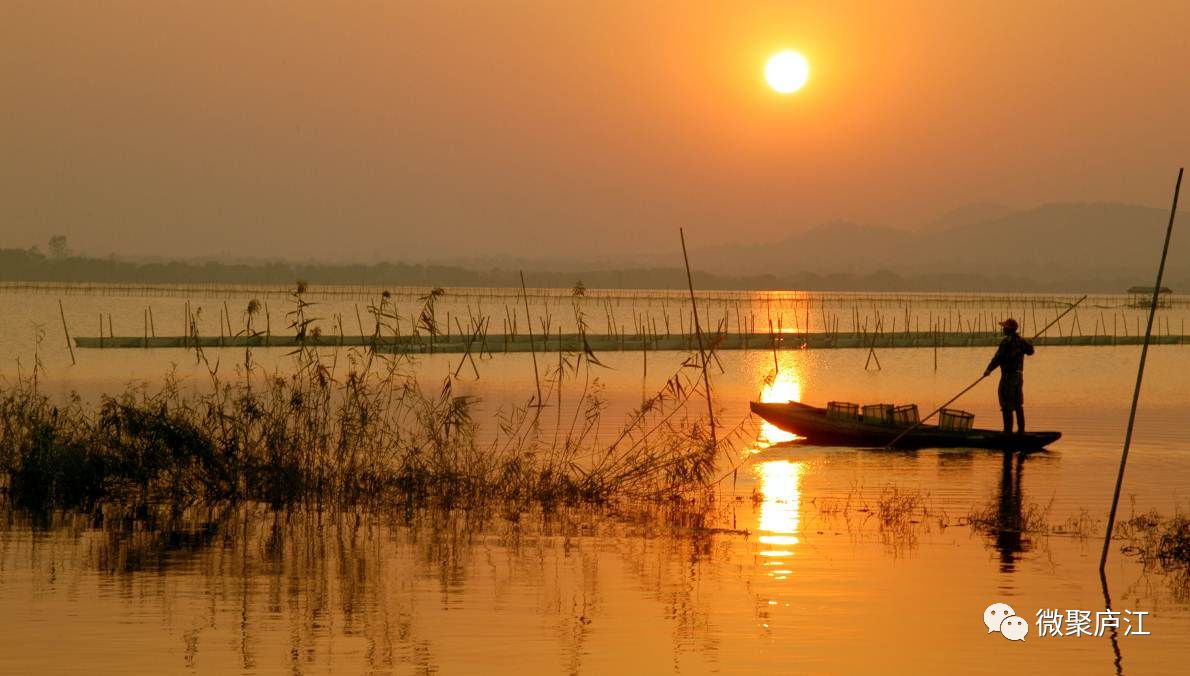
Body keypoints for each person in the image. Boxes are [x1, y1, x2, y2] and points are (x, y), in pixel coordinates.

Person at [983, 318, 1034, 434]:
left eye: (1004, 327)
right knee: (1018, 404)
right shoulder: (1021, 341)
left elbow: (998, 358)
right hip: (1019, 377)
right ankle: (1021, 431)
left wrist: (988, 370)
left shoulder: (1006, 342)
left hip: (1008, 377)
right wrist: (1028, 343)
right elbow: (1031, 351)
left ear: (1009, 329)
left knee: (1006, 404)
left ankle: (1007, 432)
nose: (1003, 329)